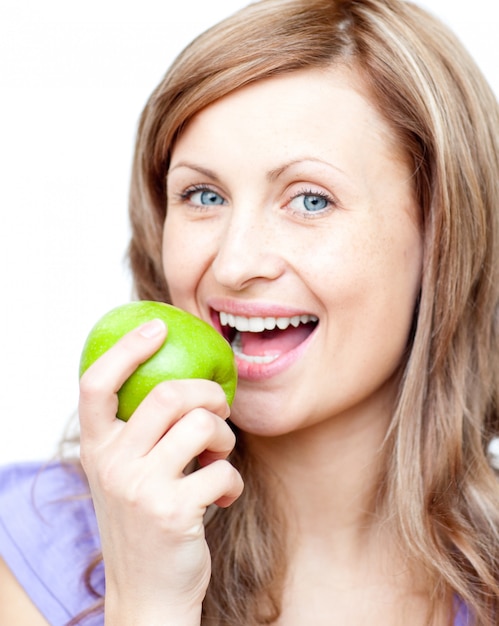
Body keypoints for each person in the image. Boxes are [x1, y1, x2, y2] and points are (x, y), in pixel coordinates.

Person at [1, 0, 499, 623]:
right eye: (203, 195)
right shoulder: (32, 546)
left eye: (310, 200)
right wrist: (147, 600)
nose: (235, 264)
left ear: (442, 233)